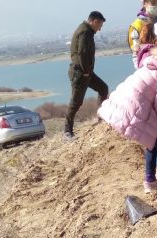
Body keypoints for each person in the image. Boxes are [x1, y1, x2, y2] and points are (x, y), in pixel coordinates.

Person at [98, 19, 157, 202]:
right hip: (132, 112)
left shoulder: (154, 61)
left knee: (152, 142)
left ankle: (150, 181)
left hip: (124, 107)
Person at [64, 11, 109, 141]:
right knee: (76, 102)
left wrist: (88, 71)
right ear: (94, 21)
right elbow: (82, 53)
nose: (100, 28)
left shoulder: (87, 31)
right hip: (80, 73)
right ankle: (67, 131)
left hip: (86, 71)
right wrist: (85, 72)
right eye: (99, 24)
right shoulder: (85, 32)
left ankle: (101, 116)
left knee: (103, 88)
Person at [128, 0, 157, 69]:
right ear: (144, 3)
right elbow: (135, 51)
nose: (156, 5)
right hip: (146, 65)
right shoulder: (136, 25)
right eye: (153, 3)